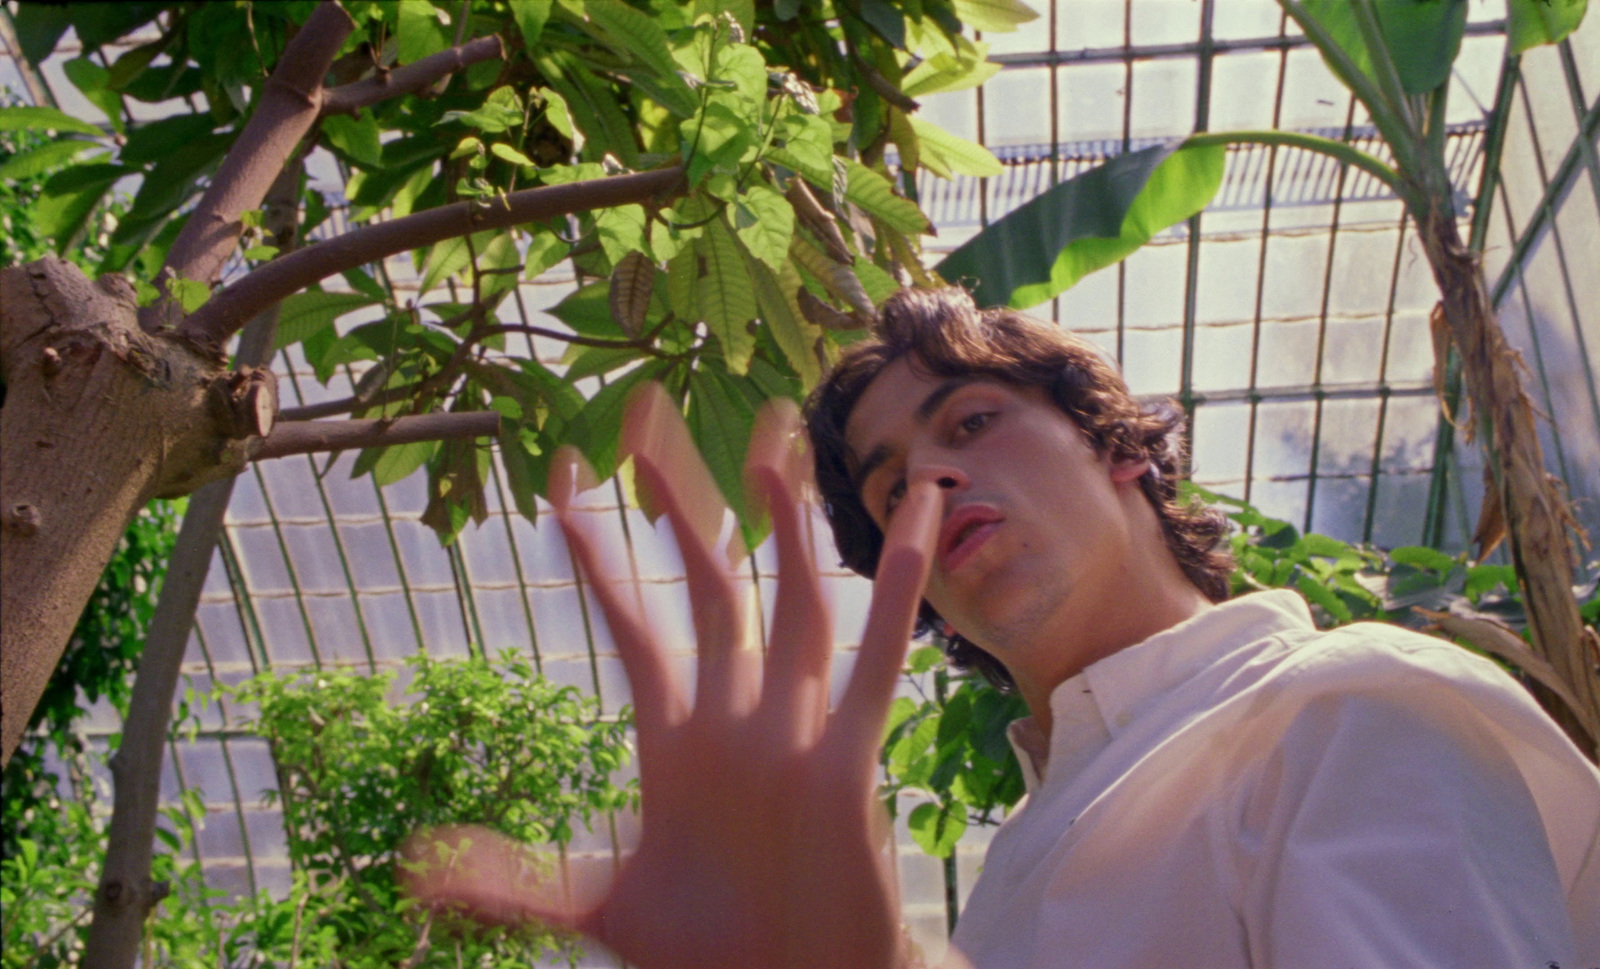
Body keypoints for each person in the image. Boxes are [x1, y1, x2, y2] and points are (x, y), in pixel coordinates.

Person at [408, 287, 1600, 969]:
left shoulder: (1347, 704)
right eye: (886, 490)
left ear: (1123, 444)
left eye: (970, 423)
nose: (925, 481)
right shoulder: (1007, 885)